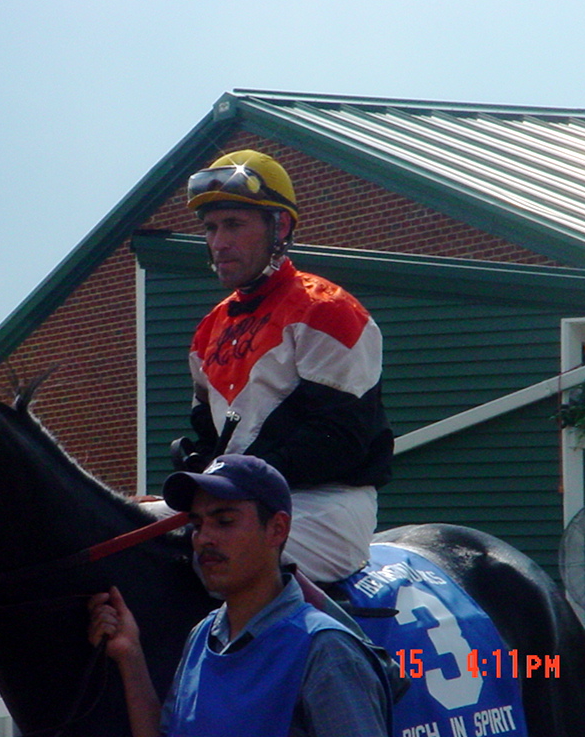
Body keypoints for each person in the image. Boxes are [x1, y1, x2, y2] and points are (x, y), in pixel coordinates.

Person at [176, 148, 393, 583]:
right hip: (240, 502)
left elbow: (339, 439)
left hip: (328, 504)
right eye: (211, 228)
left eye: (234, 225)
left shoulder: (327, 308)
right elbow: (210, 434)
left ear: (281, 227)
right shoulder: (209, 330)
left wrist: (237, 483)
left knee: (202, 561)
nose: (219, 243)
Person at [89, 454, 391, 737]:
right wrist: (130, 656)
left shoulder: (326, 651)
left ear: (277, 529)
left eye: (224, 521)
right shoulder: (202, 636)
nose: (204, 538)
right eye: (197, 525)